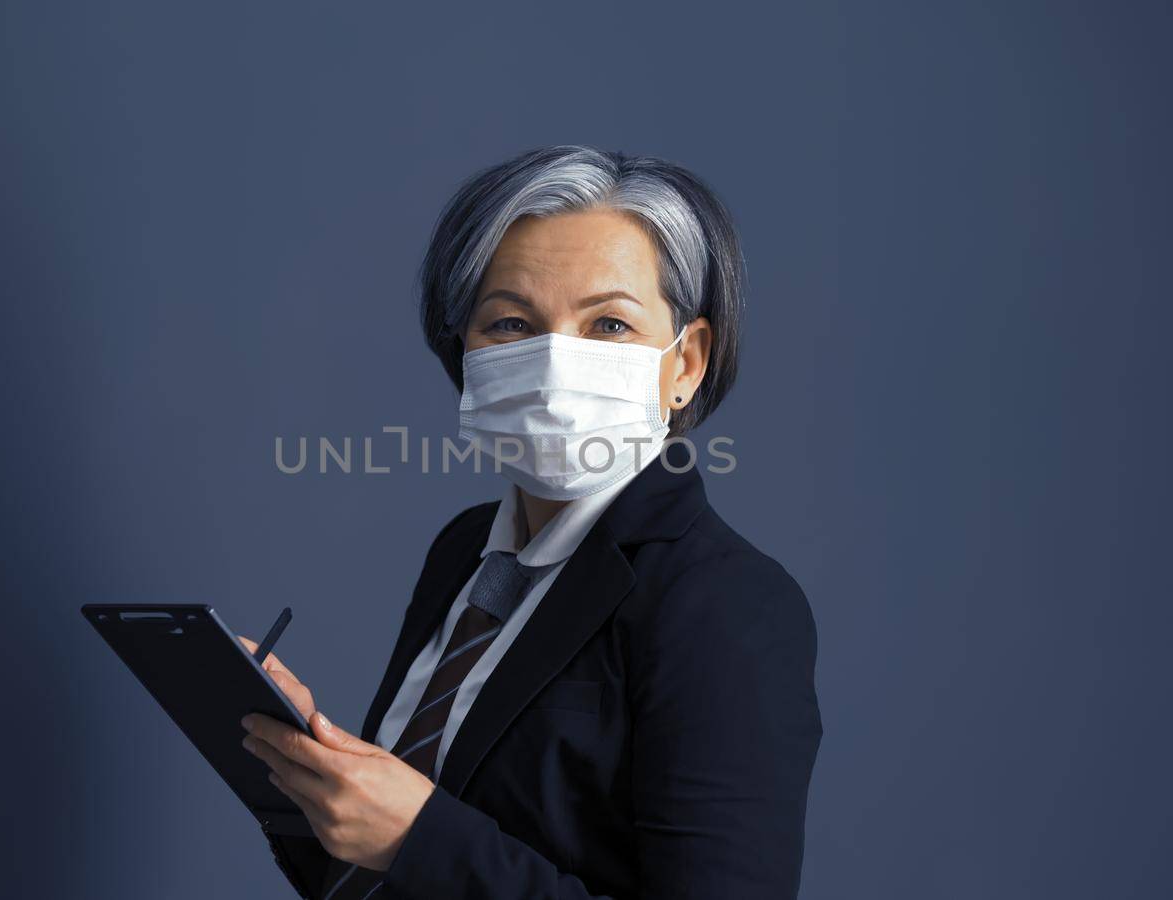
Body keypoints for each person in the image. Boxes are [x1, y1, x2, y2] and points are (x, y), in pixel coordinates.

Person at [237, 144, 822, 898]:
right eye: (511, 323)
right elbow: (378, 868)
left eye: (609, 325)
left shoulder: (727, 605)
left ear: (686, 364)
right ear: (465, 352)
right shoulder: (464, 553)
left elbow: (425, 846)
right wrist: (306, 773)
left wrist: (422, 836)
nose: (553, 365)